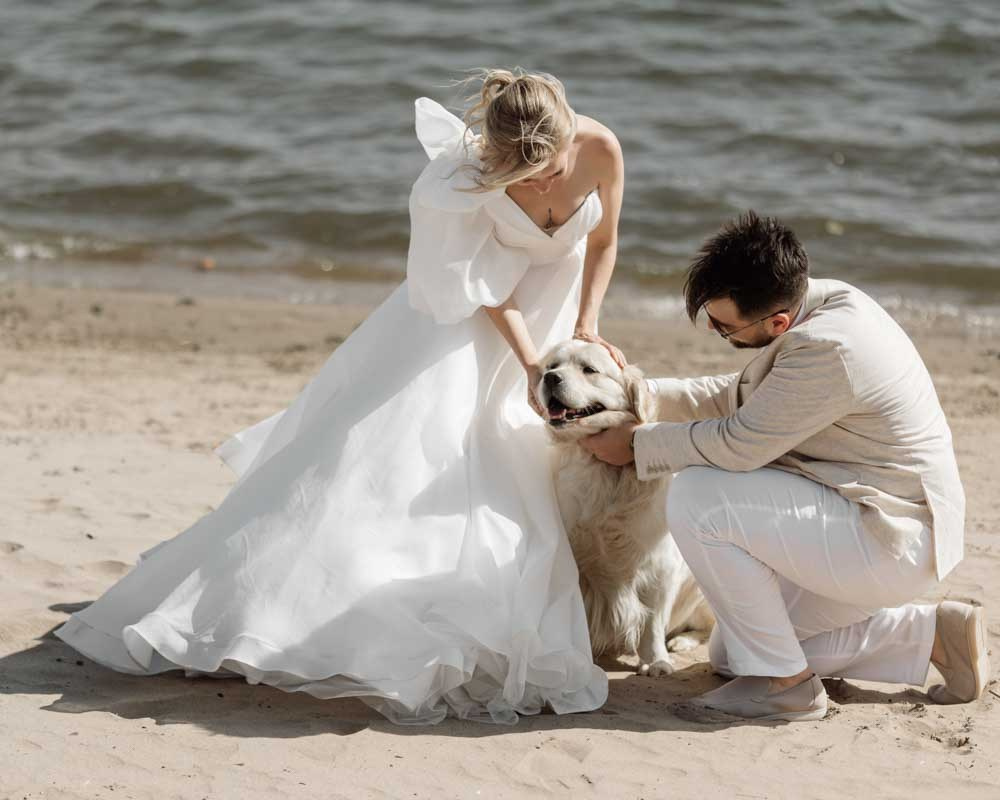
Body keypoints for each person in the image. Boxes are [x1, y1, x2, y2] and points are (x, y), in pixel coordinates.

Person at [54, 68, 628, 725]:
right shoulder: (459, 178)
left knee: (535, 462)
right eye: (522, 177)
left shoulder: (602, 149)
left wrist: (584, 328)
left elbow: (604, 240)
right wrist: (532, 363)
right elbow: (480, 283)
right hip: (475, 317)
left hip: (557, 309)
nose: (543, 186)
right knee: (420, 462)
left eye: (550, 169)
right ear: (496, 159)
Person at [582, 211, 989, 723]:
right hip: (871, 521)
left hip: (888, 536)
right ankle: (932, 635)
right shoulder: (816, 303)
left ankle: (787, 689)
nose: (715, 331)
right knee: (734, 654)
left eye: (725, 327)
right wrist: (632, 391)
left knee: (699, 495)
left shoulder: (829, 348)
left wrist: (637, 446)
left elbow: (740, 443)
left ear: (776, 322)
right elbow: (736, 396)